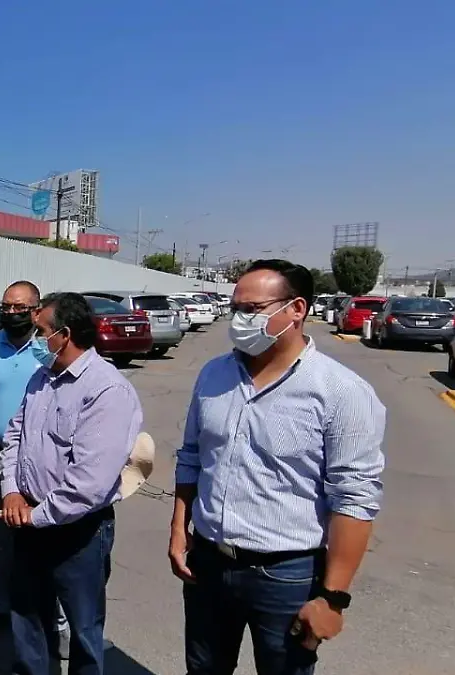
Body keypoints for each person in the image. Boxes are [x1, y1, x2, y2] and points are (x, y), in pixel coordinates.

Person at [169, 259, 386, 675]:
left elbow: (355, 499)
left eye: (252, 309)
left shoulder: (341, 391)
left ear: (296, 309)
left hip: (285, 575)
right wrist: (179, 529)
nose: (239, 320)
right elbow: (192, 456)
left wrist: (333, 599)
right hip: (208, 564)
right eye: (236, 309)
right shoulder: (214, 374)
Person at [0, 292, 143, 675]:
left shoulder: (106, 390)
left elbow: (89, 483)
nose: (34, 338)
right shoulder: (42, 378)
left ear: (64, 335)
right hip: (29, 519)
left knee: (83, 628)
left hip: (78, 530)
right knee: (27, 615)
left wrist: (34, 516)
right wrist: (12, 491)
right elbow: (14, 437)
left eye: (40, 331)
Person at [0, 280, 71, 653]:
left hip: (41, 459)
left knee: (48, 539)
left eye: (20, 308)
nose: (11, 313)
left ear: (36, 310)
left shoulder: (49, 347)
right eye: (6, 307)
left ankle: (56, 623)